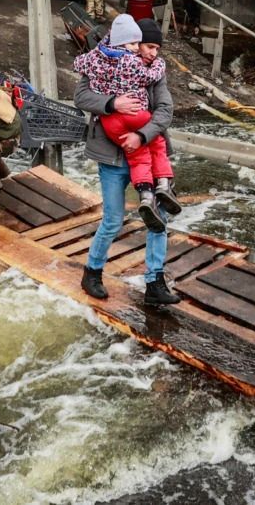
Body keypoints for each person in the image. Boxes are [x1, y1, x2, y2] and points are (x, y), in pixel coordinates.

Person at [74, 18, 180, 306]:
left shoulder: (155, 73)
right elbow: (81, 95)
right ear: (131, 44)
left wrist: (142, 136)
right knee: (112, 219)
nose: (152, 53)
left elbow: (165, 109)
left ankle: (154, 282)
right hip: (111, 156)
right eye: (148, 46)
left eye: (157, 47)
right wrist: (113, 103)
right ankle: (92, 272)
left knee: (158, 218)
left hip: (143, 151)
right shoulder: (103, 62)